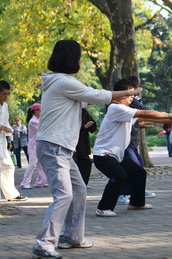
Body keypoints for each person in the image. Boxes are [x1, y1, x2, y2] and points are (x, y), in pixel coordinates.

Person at [32, 39, 142, 258]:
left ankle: (73, 237)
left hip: (60, 147)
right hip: (54, 146)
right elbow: (97, 96)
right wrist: (130, 92)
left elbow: (86, 100)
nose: (81, 61)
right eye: (79, 56)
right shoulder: (63, 82)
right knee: (64, 195)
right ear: (72, 59)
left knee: (79, 189)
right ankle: (43, 243)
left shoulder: (60, 82)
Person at [92, 78, 172, 217]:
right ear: (119, 94)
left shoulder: (126, 110)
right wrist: (170, 116)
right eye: (130, 94)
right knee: (119, 175)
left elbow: (150, 118)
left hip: (115, 155)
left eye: (133, 94)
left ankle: (136, 203)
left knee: (139, 172)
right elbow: (146, 113)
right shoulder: (115, 107)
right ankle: (103, 208)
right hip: (103, 155)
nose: (133, 97)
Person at [117, 76, 156, 204]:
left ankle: (137, 190)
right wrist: (168, 117)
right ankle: (123, 193)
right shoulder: (125, 103)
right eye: (138, 86)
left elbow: (134, 119)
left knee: (138, 164)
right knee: (134, 167)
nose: (139, 89)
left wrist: (140, 125)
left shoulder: (129, 103)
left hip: (131, 141)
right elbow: (145, 112)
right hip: (125, 143)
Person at [20, 103, 47, 189]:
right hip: (33, 146)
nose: (41, 112)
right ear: (35, 111)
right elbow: (43, 130)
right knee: (32, 164)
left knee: (41, 165)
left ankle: (40, 182)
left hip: (39, 145)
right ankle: (25, 183)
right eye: (39, 110)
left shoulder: (38, 120)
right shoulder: (33, 121)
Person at [73, 108, 97, 186]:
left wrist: (90, 125)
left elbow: (93, 127)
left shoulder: (83, 111)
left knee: (85, 163)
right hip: (72, 144)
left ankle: (82, 184)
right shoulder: (68, 110)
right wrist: (83, 127)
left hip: (83, 145)